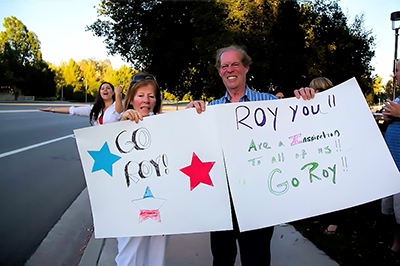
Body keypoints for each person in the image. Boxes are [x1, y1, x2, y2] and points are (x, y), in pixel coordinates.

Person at [186, 45, 315, 265]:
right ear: (219, 71)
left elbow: (300, 126)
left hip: (259, 200)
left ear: (245, 67)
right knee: (222, 259)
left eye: (235, 64)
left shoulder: (270, 103)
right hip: (222, 202)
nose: (229, 69)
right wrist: (188, 117)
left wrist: (307, 101)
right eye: (224, 66)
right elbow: (188, 143)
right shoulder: (208, 110)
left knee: (257, 259)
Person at [116, 72, 166, 266]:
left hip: (161, 202)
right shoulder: (118, 123)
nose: (146, 100)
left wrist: (193, 112)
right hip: (129, 203)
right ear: (131, 99)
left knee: (156, 256)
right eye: (140, 95)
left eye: (151, 96)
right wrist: (122, 125)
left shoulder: (164, 125)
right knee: (129, 255)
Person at [308, 77, 343, 235]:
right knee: (318, 184)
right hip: (316, 153)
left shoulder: (335, 108)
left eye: (319, 90)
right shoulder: (308, 107)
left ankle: (334, 221)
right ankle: (321, 215)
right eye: (313, 89)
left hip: (332, 152)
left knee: (333, 186)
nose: (315, 93)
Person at [381, 59, 400, 258]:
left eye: (397, 70)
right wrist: (389, 119)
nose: (394, 75)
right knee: (393, 213)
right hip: (392, 167)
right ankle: (396, 245)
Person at [39, 81, 123, 125]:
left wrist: (118, 94)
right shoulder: (94, 109)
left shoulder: (117, 106)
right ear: (100, 93)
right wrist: (52, 109)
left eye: (108, 88)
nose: (105, 90)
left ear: (113, 92)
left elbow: (119, 112)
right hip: (100, 143)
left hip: (114, 143)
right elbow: (73, 110)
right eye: (102, 88)